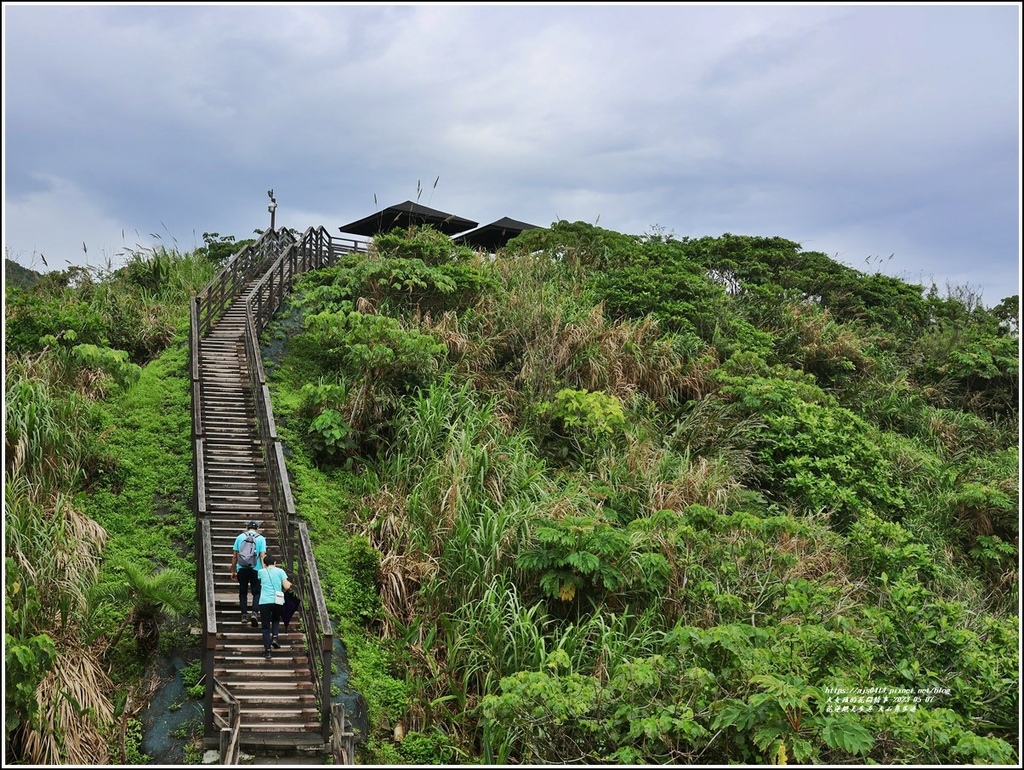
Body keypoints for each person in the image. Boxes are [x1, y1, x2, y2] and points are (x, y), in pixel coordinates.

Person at [229, 519, 266, 627]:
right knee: (257, 592)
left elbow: (235, 556)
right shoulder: (261, 539)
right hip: (256, 569)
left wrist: (233, 570)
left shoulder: (240, 537)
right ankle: (254, 612)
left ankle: (244, 615)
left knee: (243, 592)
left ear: (247, 528)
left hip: (242, 568)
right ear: (257, 529)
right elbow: (263, 556)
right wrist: (264, 571)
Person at [257, 552, 292, 660]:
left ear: (265, 563)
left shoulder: (261, 572)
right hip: (278, 601)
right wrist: (287, 586)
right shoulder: (280, 571)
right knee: (276, 619)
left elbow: (262, 578)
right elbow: (286, 586)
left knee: (266, 628)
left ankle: (267, 652)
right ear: (275, 563)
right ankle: (275, 637)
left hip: (264, 602)